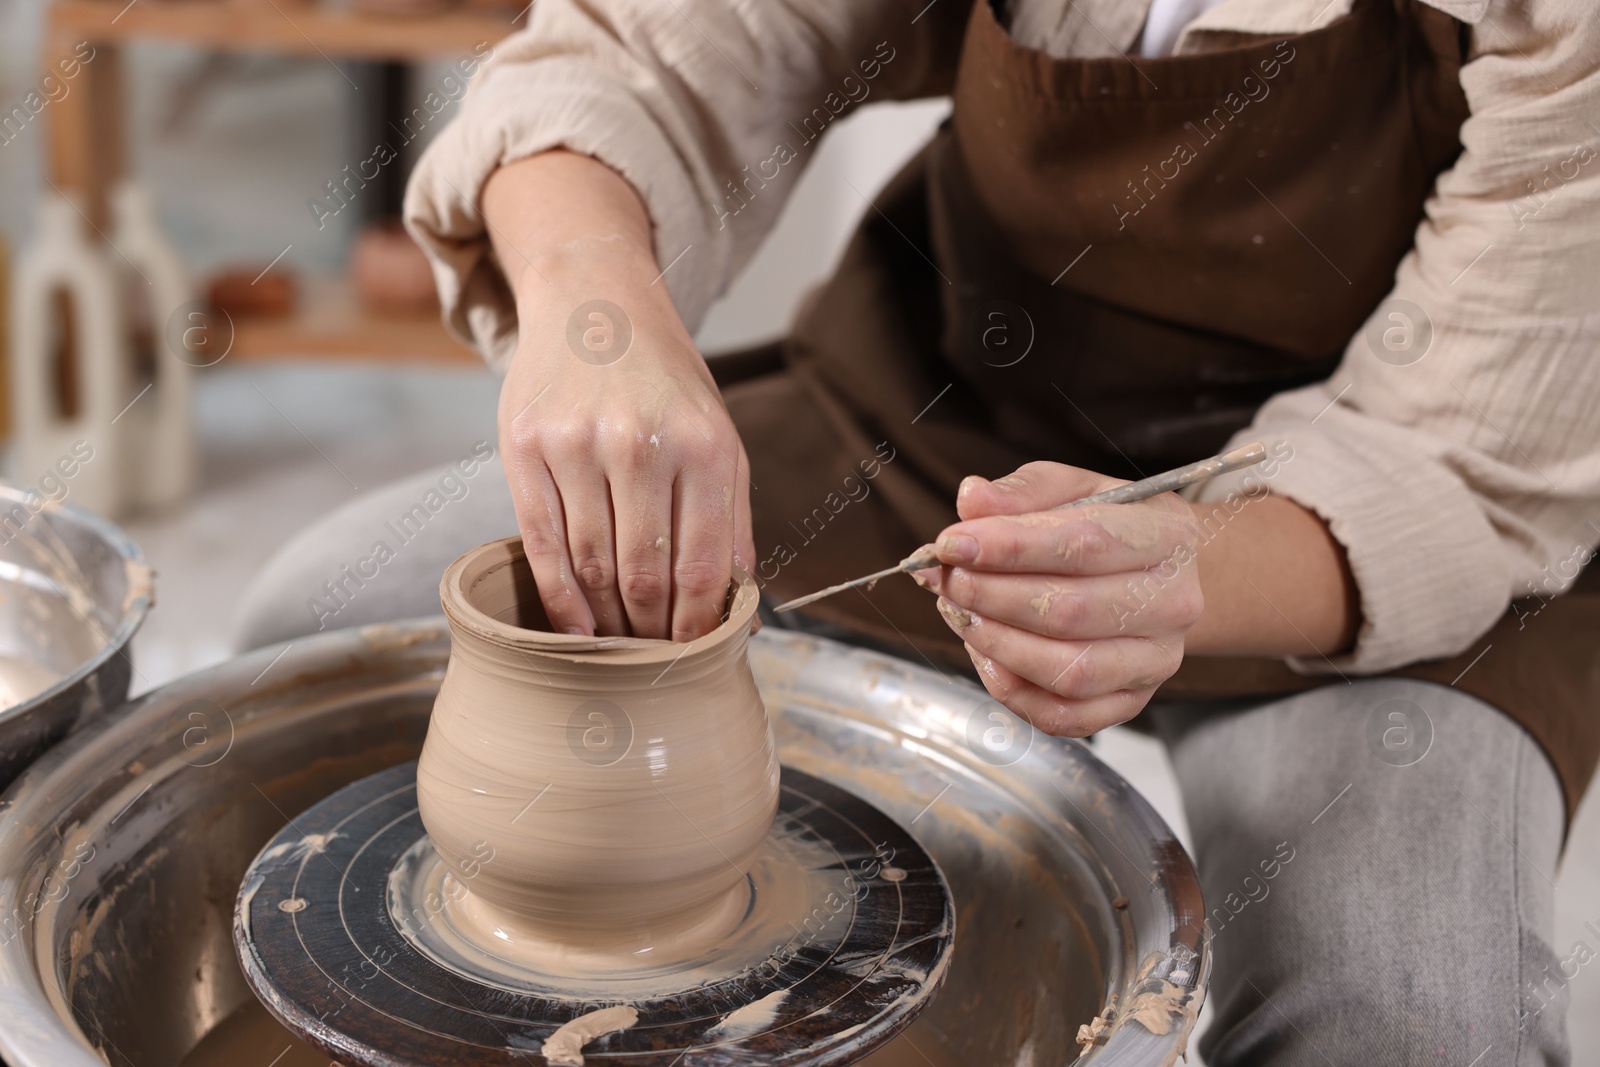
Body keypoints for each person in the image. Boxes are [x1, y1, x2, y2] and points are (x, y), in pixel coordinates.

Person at [234, 0, 1600, 1062]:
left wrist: (1188, 567)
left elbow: (1470, 457)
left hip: (1382, 533)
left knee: (1412, 1021)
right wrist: (595, 308)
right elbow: (651, 53)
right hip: (953, 429)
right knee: (305, 651)